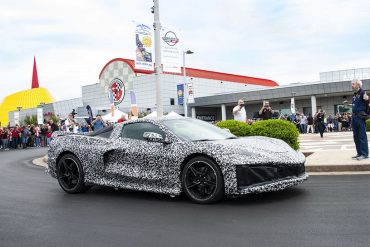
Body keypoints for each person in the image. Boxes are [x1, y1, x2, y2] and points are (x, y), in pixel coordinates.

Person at [348, 79, 369, 160]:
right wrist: (350, 105)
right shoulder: (355, 94)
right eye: (352, 84)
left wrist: (367, 99)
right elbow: (356, 104)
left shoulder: (363, 92)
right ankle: (359, 153)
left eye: (353, 84)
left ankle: (365, 154)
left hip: (360, 117)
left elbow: (367, 101)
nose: (352, 85)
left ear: (358, 85)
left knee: (362, 136)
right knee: (356, 136)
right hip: (354, 117)